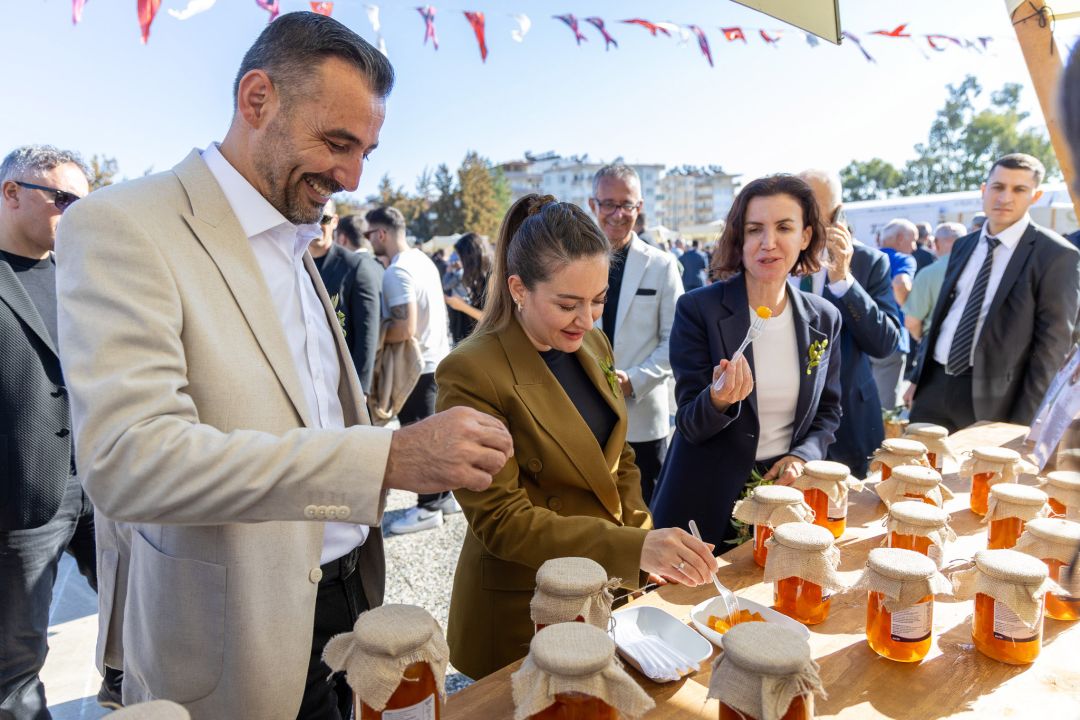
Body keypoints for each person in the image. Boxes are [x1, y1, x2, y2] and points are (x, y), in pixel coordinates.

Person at [54, 14, 512, 719]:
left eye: (366, 150)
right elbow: (128, 460)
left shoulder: (294, 233)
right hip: (232, 631)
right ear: (256, 99)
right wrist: (385, 461)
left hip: (350, 599)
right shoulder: (123, 224)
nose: (353, 175)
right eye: (337, 143)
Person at [436, 194, 717, 679]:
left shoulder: (592, 341)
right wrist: (630, 549)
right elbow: (503, 521)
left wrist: (642, 537)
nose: (586, 319)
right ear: (519, 289)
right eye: (568, 304)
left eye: (598, 300)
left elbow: (618, 457)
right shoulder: (471, 370)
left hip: (605, 588)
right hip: (526, 606)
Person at [651, 175, 842, 546]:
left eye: (784, 227)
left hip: (782, 499)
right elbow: (690, 422)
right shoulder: (698, 309)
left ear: (805, 237)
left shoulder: (824, 318)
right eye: (755, 229)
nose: (768, 243)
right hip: (701, 502)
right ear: (740, 239)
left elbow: (829, 411)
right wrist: (718, 400)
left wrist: (801, 456)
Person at [0, 145, 124, 717]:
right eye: (63, 200)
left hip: (103, 484)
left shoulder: (81, 274)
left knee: (141, 616)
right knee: (14, 663)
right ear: (11, 193)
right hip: (21, 499)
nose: (75, 215)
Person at [909, 153, 1080, 430]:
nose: (1005, 198)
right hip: (934, 387)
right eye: (998, 187)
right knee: (913, 470)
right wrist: (918, 379)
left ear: (1035, 197)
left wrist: (1021, 423)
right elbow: (944, 317)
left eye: (1019, 189)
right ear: (984, 190)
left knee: (973, 475)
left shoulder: (1056, 255)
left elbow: (1053, 346)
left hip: (994, 403)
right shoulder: (964, 245)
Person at [795, 170, 901, 478]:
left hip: (847, 420)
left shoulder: (869, 263)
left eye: (811, 206)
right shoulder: (776, 255)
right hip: (784, 425)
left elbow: (885, 343)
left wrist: (843, 280)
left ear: (838, 213)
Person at [588, 164, 683, 505]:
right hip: (585, 415)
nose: (617, 213)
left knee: (645, 515)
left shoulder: (661, 265)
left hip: (642, 419)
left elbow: (676, 339)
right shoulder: (574, 262)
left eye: (626, 204)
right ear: (592, 205)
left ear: (639, 207)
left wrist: (634, 380)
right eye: (608, 204)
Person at [366, 206, 458, 534]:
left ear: (381, 234)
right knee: (436, 435)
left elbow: (405, 328)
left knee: (421, 440)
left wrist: (373, 338)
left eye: (368, 234)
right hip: (437, 359)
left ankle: (428, 508)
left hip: (417, 364)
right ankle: (444, 497)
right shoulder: (422, 260)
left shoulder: (397, 272)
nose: (368, 241)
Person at [310, 204, 383, 395]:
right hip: (306, 379)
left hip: (342, 383)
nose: (317, 225)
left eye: (323, 218)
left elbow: (367, 335)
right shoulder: (294, 264)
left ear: (334, 221)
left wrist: (360, 390)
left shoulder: (355, 267)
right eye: (311, 217)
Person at [902, 222, 965, 401]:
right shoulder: (980, 269)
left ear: (936, 243)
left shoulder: (928, 274)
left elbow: (912, 321)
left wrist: (920, 336)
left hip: (934, 353)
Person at [871, 219, 918, 410]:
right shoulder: (903, 259)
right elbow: (900, 283)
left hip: (861, 338)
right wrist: (910, 309)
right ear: (899, 239)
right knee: (884, 411)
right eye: (913, 240)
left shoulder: (866, 257)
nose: (914, 247)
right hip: (891, 340)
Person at [443, 232, 492, 343]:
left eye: (461, 258)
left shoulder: (492, 277)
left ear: (470, 258)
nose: (460, 262)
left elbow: (492, 319)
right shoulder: (482, 276)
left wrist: (462, 306)